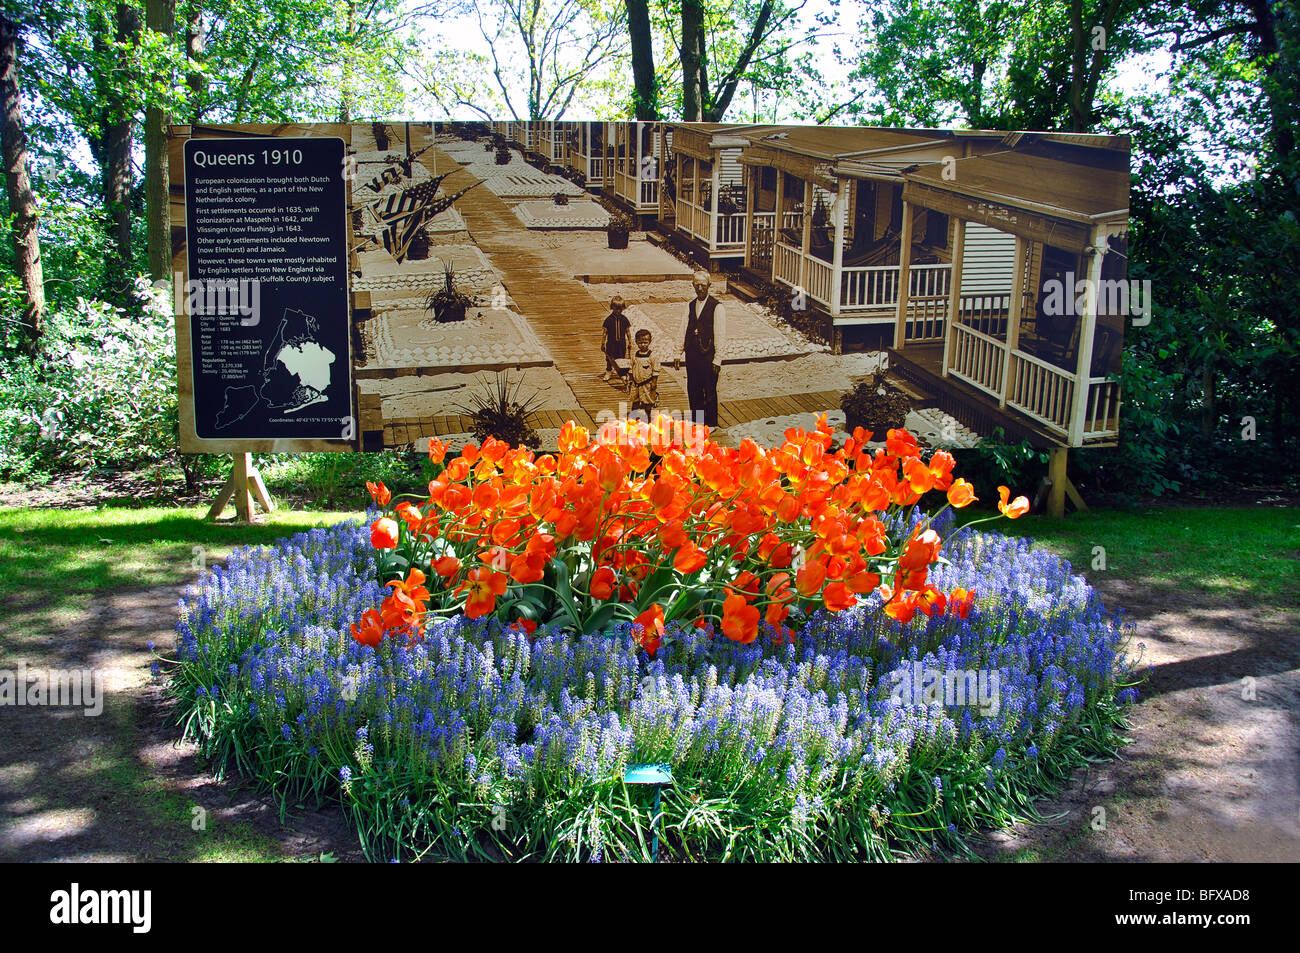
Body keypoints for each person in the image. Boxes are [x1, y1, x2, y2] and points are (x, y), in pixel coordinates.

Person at [674, 270, 726, 428]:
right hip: (692, 354)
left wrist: (718, 359)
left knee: (709, 389)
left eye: (703, 285)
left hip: (708, 354)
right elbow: (683, 328)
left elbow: (720, 334)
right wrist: (678, 352)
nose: (700, 289)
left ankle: (711, 424)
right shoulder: (689, 306)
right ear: (693, 286)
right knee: (693, 388)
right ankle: (697, 423)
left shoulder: (717, 307)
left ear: (709, 286)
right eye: (697, 286)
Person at [626, 329, 659, 420]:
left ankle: (647, 419)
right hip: (636, 384)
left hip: (647, 384)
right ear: (636, 342)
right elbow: (631, 368)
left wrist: (654, 383)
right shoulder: (635, 355)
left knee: (647, 402)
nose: (643, 345)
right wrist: (630, 380)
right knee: (635, 401)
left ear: (649, 342)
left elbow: (656, 371)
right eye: (640, 343)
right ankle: (633, 419)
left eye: (645, 342)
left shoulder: (652, 356)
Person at [600, 295, 633, 382]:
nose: (618, 311)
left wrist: (630, 342)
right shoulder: (608, 320)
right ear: (612, 308)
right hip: (611, 343)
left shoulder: (624, 319)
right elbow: (604, 333)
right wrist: (602, 343)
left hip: (621, 343)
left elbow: (628, 332)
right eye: (616, 309)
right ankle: (608, 371)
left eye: (620, 309)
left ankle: (621, 373)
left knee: (621, 358)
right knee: (610, 358)